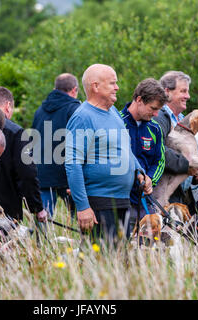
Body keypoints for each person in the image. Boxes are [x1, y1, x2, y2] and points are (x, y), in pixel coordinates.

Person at [65, 64, 152, 246]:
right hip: (99, 202)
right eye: (112, 83)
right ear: (96, 86)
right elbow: (73, 163)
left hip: (122, 200)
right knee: (99, 262)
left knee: (118, 263)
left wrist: (138, 171)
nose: (117, 87)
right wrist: (82, 207)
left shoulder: (113, 112)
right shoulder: (82, 117)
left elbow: (125, 149)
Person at [0, 86, 48, 222]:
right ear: (8, 106)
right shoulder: (17, 133)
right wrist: (36, 207)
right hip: (4, 212)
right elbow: (27, 173)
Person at [119, 78, 167, 237]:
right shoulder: (117, 122)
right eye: (153, 108)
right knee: (119, 246)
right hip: (119, 198)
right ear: (139, 100)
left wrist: (150, 180)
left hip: (144, 200)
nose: (156, 114)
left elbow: (159, 161)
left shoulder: (155, 128)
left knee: (148, 246)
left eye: (159, 110)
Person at [31, 73, 81, 217]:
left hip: (43, 174)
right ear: (74, 90)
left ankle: (41, 241)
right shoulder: (76, 110)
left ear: (55, 89)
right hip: (69, 175)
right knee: (82, 222)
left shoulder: (40, 111)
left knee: (44, 223)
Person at [153, 71, 198, 203]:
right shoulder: (158, 117)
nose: (188, 96)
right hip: (162, 194)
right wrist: (187, 165)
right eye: (183, 91)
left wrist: (197, 175)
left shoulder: (183, 120)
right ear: (166, 92)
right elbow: (159, 151)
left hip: (179, 195)